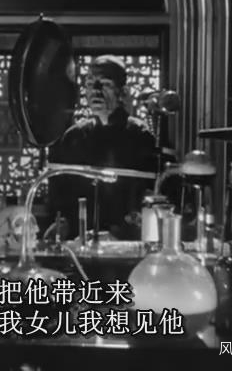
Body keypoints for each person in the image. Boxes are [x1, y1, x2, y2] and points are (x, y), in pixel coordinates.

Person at [47, 55, 157, 240]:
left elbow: (151, 196)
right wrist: (63, 223)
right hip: (80, 240)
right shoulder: (74, 137)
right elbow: (61, 194)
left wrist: (122, 231)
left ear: (122, 91)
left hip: (125, 241)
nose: (96, 91)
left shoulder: (140, 136)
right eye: (90, 84)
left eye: (105, 84)